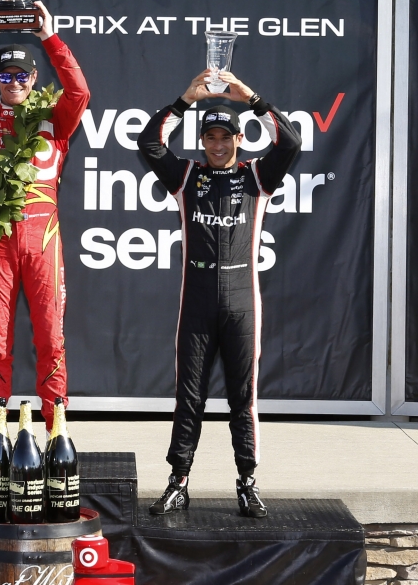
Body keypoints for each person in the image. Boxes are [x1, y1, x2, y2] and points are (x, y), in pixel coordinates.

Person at [137, 69, 301, 518]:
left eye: (225, 137)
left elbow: (290, 142)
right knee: (189, 397)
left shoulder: (257, 178)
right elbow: (148, 144)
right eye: (210, 138)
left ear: (239, 140)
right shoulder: (187, 176)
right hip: (197, 302)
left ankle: (247, 483)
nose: (217, 145)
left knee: (241, 399)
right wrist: (183, 100)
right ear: (202, 141)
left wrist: (251, 97)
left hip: (242, 303)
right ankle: (178, 482)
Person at [0, 1, 90, 465]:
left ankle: (56, 430)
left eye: (23, 76)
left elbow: (80, 92)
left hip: (43, 242)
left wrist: (50, 36)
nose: (14, 83)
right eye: (5, 76)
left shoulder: (55, 121)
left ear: (34, 79)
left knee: (51, 338)